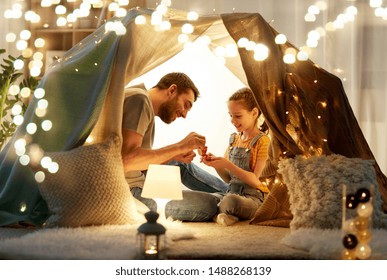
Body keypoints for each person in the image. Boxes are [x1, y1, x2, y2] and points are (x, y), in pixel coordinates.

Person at [122, 72, 221, 222]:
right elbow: (127, 161)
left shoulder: (141, 99)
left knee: (178, 163)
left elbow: (132, 161)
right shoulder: (139, 100)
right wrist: (180, 146)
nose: (185, 115)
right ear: (172, 90)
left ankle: (235, 194)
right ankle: (236, 198)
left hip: (135, 178)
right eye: (186, 105)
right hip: (129, 191)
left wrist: (174, 155)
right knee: (209, 204)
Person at [171, 87, 270, 226]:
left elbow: (256, 182)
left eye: (238, 116)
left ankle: (219, 213)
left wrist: (227, 164)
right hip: (229, 192)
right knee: (184, 198)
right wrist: (215, 164)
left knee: (230, 202)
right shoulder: (234, 139)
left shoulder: (263, 141)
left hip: (253, 198)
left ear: (254, 113)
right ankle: (223, 214)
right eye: (230, 115)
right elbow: (228, 179)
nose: (232, 120)